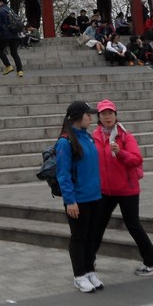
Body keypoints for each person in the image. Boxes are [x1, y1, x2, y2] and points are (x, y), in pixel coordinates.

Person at [91, 99, 153, 276]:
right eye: (103, 114)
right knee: (97, 225)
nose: (107, 117)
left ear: (116, 115)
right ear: (99, 117)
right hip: (105, 190)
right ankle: (88, 260)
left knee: (133, 225)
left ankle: (152, 263)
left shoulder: (125, 136)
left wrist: (120, 152)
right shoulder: (95, 136)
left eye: (110, 113)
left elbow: (137, 159)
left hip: (127, 189)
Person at [55, 101, 103, 293]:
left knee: (91, 237)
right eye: (87, 114)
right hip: (78, 199)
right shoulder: (65, 142)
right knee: (79, 237)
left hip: (94, 197)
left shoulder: (88, 138)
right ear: (77, 117)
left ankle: (90, 271)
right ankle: (79, 275)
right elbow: (63, 175)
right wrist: (70, 201)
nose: (91, 117)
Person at [0, 0, 23, 77]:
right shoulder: (10, 10)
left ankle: (8, 66)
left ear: (1, 2)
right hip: (14, 34)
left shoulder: (0, 11)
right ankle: (20, 71)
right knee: (14, 52)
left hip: (5, 34)